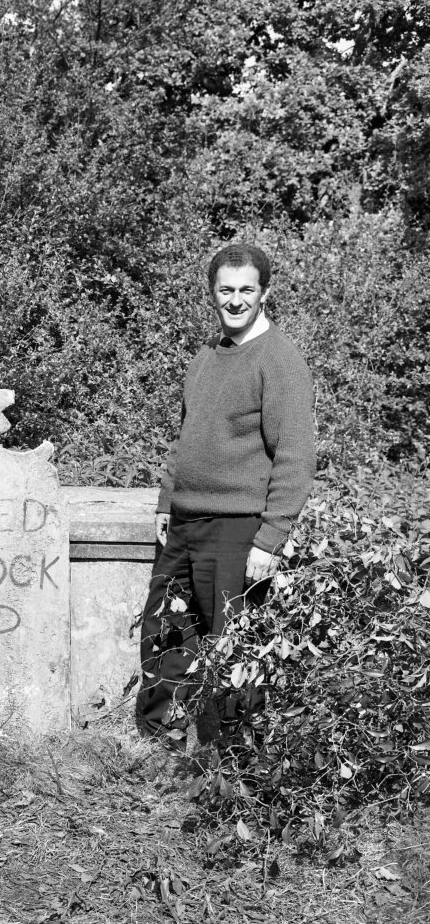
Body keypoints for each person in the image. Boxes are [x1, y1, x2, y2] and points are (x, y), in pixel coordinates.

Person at [137, 243, 316, 750]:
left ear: (264, 293)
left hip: (237, 529)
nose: (235, 300)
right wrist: (166, 500)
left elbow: (296, 455)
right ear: (212, 294)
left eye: (246, 290)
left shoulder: (279, 361)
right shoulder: (205, 359)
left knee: (233, 648)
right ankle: (159, 744)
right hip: (186, 524)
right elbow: (186, 438)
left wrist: (271, 537)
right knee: (167, 631)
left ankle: (232, 764)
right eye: (226, 291)